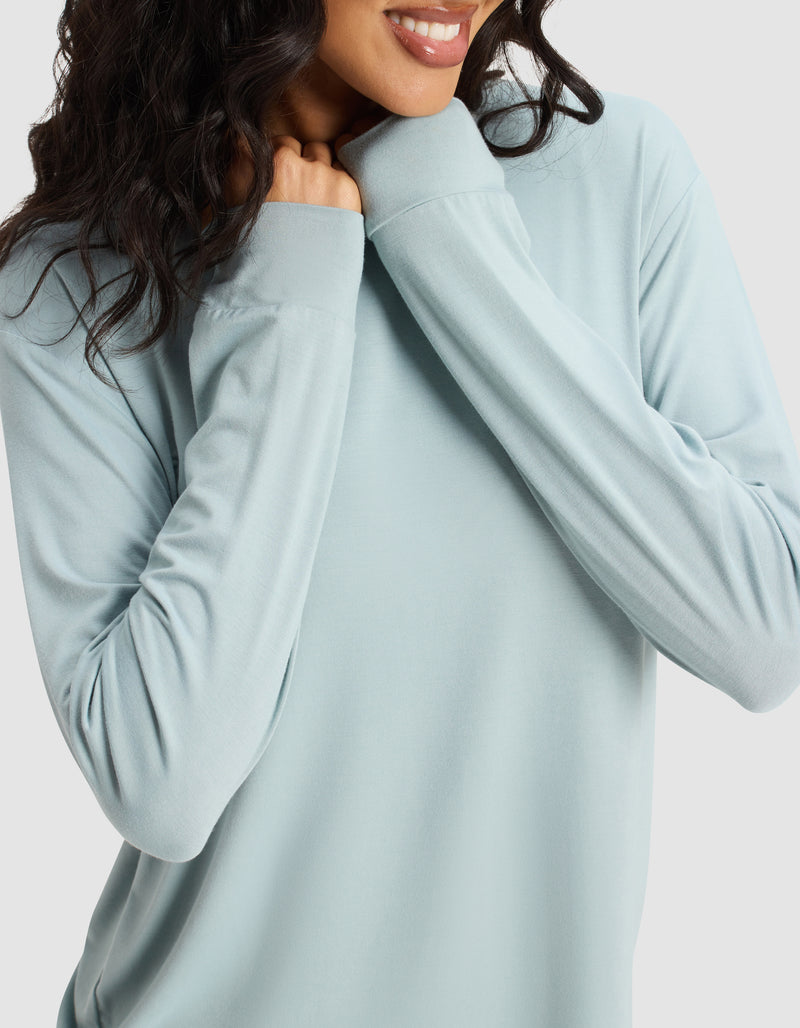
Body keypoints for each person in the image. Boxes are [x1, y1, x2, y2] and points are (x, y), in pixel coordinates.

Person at [1, 0, 799, 1024]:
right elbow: (164, 778)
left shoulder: (616, 173)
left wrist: (446, 227)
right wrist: (287, 300)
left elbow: (765, 626)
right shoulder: (85, 280)